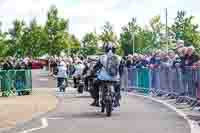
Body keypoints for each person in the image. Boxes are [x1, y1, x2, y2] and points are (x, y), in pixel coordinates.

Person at [90, 42, 121, 107]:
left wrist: (92, 73)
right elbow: (121, 69)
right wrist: (119, 76)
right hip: (115, 78)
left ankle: (96, 100)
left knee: (94, 84)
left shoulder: (102, 57)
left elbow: (96, 67)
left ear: (105, 49)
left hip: (103, 78)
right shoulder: (119, 58)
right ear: (114, 49)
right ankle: (117, 101)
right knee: (118, 87)